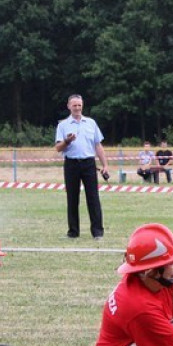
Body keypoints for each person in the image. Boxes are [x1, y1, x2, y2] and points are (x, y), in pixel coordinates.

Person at [54, 94, 110, 239]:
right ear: (69, 106)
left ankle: (97, 232)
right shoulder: (63, 125)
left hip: (89, 163)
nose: (77, 108)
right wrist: (67, 141)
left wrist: (105, 165)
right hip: (71, 164)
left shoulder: (91, 123)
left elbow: (98, 145)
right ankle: (73, 232)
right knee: (72, 198)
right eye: (74, 105)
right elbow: (58, 148)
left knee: (93, 197)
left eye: (79, 105)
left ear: (82, 105)